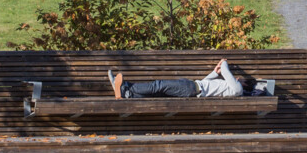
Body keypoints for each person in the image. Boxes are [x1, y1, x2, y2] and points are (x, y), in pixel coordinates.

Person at [110, 59, 257, 99]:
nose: (237, 78)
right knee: (158, 91)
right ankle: (128, 94)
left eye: (241, 79)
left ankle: (125, 88)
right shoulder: (231, 88)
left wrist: (223, 63)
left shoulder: (237, 89)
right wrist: (214, 72)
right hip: (193, 87)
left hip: (191, 88)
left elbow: (225, 68)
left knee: (158, 85)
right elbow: (206, 83)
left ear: (245, 85)